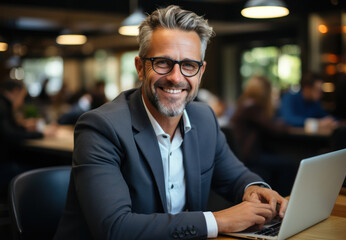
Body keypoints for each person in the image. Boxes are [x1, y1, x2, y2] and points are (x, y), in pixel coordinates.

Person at [55, 5, 288, 240]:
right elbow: (115, 228)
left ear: (201, 72)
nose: (176, 78)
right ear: (140, 68)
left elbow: (237, 177)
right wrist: (219, 220)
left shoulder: (204, 118)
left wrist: (255, 189)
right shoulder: (100, 127)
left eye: (189, 65)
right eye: (163, 63)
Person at [230, 76, 297, 196]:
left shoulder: (244, 104)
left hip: (245, 154)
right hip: (251, 156)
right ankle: (283, 199)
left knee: (282, 160)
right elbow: (271, 128)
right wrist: (285, 125)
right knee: (290, 164)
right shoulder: (253, 107)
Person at [0, 79, 45, 197]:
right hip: (4, 165)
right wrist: (40, 134)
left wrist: (25, 128)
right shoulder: (2, 106)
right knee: (44, 165)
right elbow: (10, 135)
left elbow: (10, 129)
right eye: (22, 97)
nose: (21, 102)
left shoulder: (4, 104)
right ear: (15, 91)